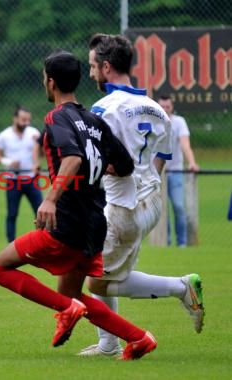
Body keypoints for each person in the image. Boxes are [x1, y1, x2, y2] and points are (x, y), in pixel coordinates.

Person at [0, 49, 157, 360]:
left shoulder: (56, 117)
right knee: (70, 295)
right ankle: (139, 338)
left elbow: (73, 157)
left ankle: (68, 310)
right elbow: (124, 165)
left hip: (66, 223)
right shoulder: (94, 120)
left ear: (50, 82)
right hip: (95, 225)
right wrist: (100, 168)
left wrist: (50, 200)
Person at [79, 33, 205, 357]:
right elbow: (162, 158)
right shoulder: (156, 109)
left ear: (106, 67)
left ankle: (181, 287)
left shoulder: (104, 107)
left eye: (93, 67)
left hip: (124, 207)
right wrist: (144, 189)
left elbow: (100, 162)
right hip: (152, 201)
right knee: (109, 273)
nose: (91, 73)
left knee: (95, 278)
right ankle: (109, 343)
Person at [0, 106, 43, 242]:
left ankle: (43, 238)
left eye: (28, 120)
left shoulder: (33, 133)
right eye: (23, 119)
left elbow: (41, 152)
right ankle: (11, 243)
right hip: (13, 180)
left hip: (31, 179)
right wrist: (8, 161)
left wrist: (38, 159)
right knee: (12, 213)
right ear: (15, 119)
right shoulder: (4, 135)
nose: (26, 123)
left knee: (40, 211)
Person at [157, 94, 200, 247]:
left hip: (175, 171)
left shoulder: (179, 122)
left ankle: (181, 243)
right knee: (162, 212)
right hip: (157, 174)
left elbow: (185, 144)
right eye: (162, 106)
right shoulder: (153, 121)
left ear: (172, 107)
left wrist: (192, 163)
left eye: (167, 106)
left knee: (178, 207)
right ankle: (166, 242)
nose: (165, 109)